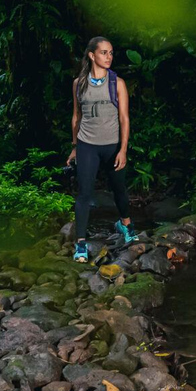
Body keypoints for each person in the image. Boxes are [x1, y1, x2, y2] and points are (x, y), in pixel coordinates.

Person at [66, 36, 138, 262]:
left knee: (119, 190)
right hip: (88, 145)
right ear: (92, 55)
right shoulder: (79, 83)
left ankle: (125, 225)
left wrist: (123, 149)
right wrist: (75, 147)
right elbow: (76, 117)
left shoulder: (118, 83)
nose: (109, 57)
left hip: (112, 146)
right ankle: (80, 244)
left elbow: (124, 118)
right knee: (84, 194)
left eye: (111, 53)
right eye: (104, 53)